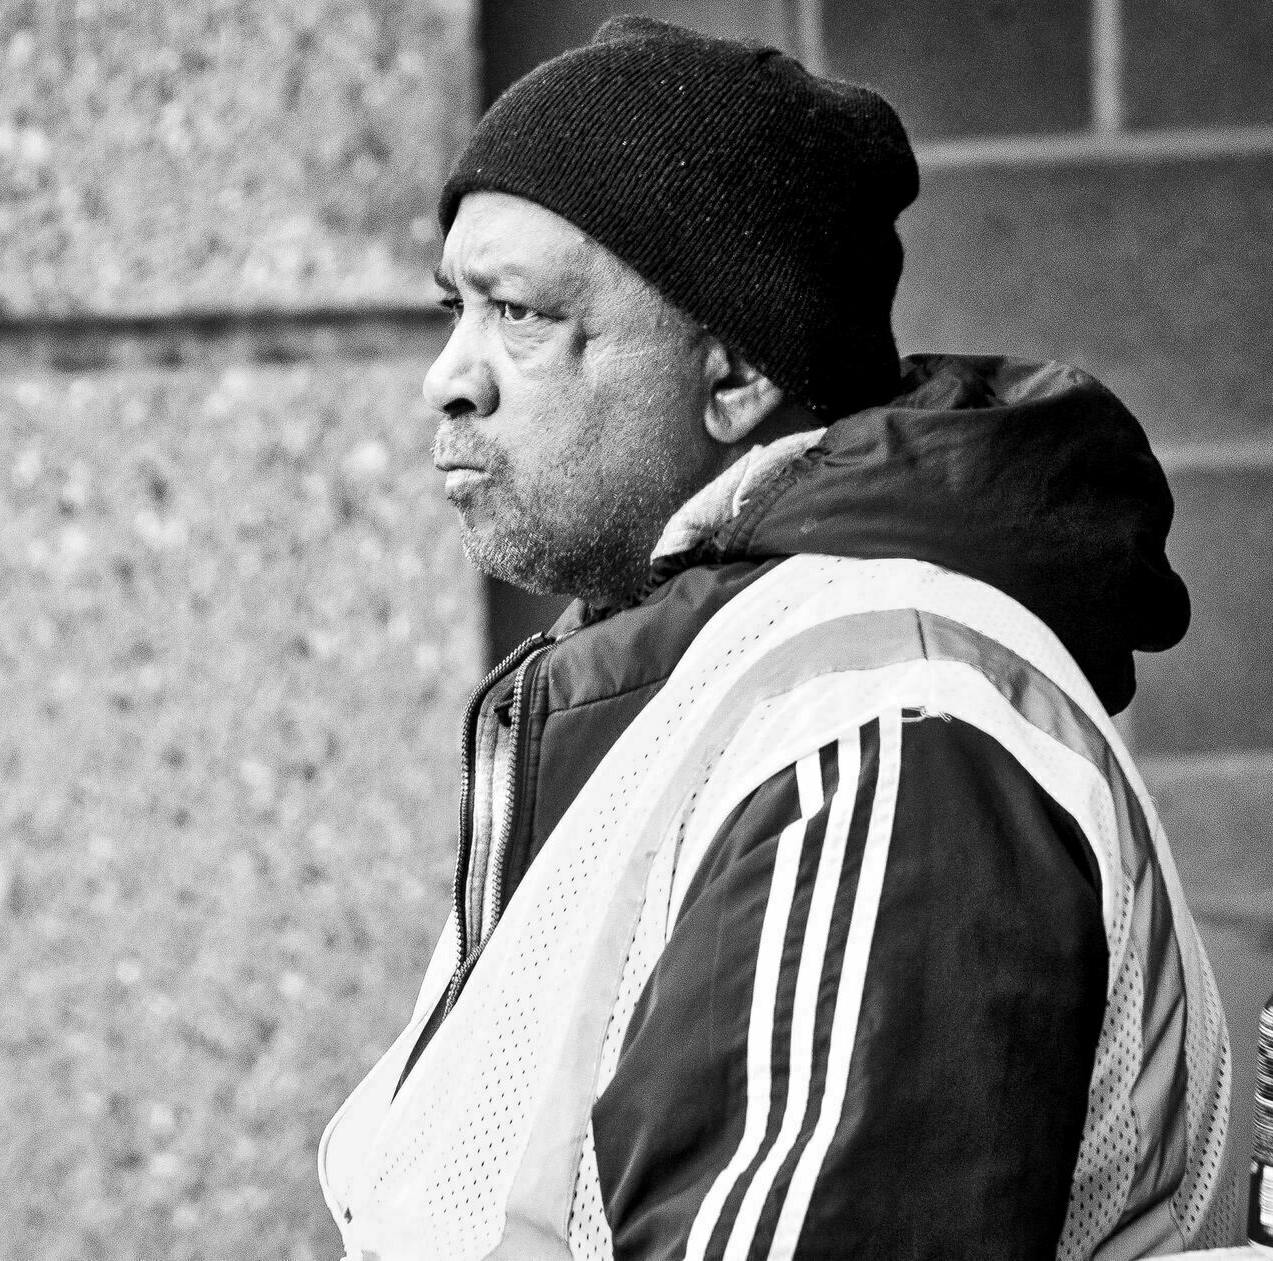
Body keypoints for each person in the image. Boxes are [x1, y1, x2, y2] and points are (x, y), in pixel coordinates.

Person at [317, 17, 1233, 1261]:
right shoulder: (703, 683)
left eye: (518, 313)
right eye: (453, 307)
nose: (449, 377)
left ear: (736, 371)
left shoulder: (881, 728)